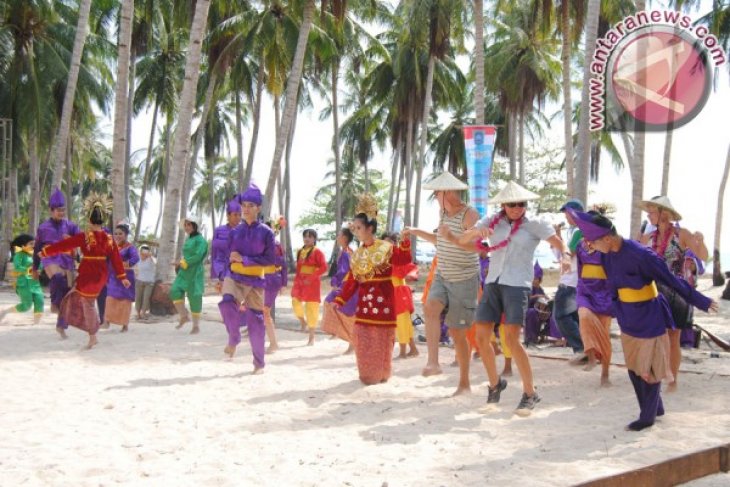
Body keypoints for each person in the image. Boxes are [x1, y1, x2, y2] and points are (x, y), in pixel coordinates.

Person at [569, 209, 717, 430]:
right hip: (627, 316)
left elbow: (672, 281)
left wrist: (702, 301)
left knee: (648, 368)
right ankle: (656, 406)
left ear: (607, 238)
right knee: (634, 367)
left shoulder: (641, 255)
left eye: (593, 243)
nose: (591, 247)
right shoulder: (606, 255)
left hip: (649, 315)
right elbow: (611, 285)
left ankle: (647, 417)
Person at [445, 181, 570, 415]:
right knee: (482, 338)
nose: (517, 208)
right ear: (503, 204)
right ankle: (495, 386)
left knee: (512, 340)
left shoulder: (535, 224)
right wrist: (473, 233)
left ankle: (530, 393)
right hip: (493, 282)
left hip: (517, 285)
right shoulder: (492, 221)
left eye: (521, 204)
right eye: (512, 204)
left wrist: (564, 256)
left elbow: (558, 243)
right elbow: (464, 240)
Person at [403, 171, 480, 380]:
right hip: (443, 274)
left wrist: (453, 237)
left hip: (464, 278)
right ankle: (433, 362)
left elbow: (477, 247)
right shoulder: (443, 214)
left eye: (436, 194)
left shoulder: (470, 214)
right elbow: (439, 240)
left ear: (447, 193)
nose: (435, 198)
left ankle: (465, 378)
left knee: (458, 332)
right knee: (430, 308)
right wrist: (414, 231)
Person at [333, 194, 412, 385]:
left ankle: (382, 374)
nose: (356, 231)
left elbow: (404, 260)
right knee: (362, 338)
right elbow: (352, 280)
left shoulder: (386, 247)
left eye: (359, 228)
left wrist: (405, 242)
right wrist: (340, 299)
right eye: (355, 228)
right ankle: (369, 375)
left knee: (382, 340)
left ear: (370, 228)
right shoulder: (357, 254)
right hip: (364, 305)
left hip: (384, 302)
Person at [37, 193, 129, 349]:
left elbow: (62, 246)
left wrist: (45, 252)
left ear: (89, 219)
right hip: (101, 275)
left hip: (88, 274)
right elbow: (116, 259)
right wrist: (123, 277)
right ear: (103, 220)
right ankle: (67, 324)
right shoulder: (109, 239)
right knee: (84, 300)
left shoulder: (84, 236)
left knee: (85, 303)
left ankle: (93, 335)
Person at [639, 195, 708, 392]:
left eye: (652, 211)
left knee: (673, 336)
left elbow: (703, 256)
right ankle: (655, 373)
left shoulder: (681, 234)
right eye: (649, 211)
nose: (649, 215)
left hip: (677, 292)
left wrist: (700, 241)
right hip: (653, 291)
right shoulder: (647, 238)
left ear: (664, 213)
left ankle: (673, 379)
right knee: (653, 335)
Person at [217, 184, 275, 372]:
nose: (246, 208)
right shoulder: (235, 232)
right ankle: (234, 336)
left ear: (258, 208)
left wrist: (245, 259)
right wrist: (221, 277)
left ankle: (259, 363)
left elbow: (269, 260)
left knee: (256, 321)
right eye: (244, 205)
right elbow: (228, 256)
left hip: (256, 281)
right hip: (234, 277)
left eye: (251, 205)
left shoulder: (267, 232)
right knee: (226, 303)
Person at [33, 187, 81, 338]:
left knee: (67, 296)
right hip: (50, 259)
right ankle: (54, 302)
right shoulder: (42, 228)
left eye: (63, 210)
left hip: (67, 260)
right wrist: (34, 268)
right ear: (51, 210)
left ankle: (61, 326)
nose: (61, 213)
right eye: (58, 210)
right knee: (58, 277)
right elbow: (36, 249)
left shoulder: (71, 226)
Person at [574, 211, 615, 386]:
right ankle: (590, 356)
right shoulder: (580, 244)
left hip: (604, 290)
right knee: (584, 317)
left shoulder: (606, 244)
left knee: (603, 332)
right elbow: (579, 267)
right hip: (585, 289)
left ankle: (605, 373)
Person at [554, 200, 586, 361]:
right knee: (574, 317)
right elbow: (562, 256)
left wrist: (557, 240)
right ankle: (584, 349)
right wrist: (558, 239)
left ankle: (580, 348)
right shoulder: (581, 231)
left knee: (561, 315)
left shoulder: (579, 231)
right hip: (577, 280)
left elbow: (569, 253)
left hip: (570, 281)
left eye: (567, 213)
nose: (566, 217)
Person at [382, 232, 419, 359]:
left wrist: (410, 276)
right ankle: (413, 349)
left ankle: (403, 351)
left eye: (389, 242)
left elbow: (413, 269)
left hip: (400, 293)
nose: (387, 244)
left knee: (402, 323)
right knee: (405, 323)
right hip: (392, 294)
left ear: (394, 243)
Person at [170, 215, 208, 334]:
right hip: (184, 272)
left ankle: (196, 326)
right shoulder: (189, 239)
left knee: (195, 298)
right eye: (185, 225)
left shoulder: (201, 241)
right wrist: (180, 263)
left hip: (195, 272)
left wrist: (182, 263)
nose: (186, 227)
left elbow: (197, 256)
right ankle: (184, 315)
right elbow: (187, 255)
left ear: (195, 226)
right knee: (174, 291)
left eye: (189, 224)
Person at [322, 227, 357, 354]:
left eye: (339, 235)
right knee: (345, 313)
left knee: (333, 304)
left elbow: (343, 271)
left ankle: (349, 341)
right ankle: (344, 337)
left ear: (345, 238)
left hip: (347, 285)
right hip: (348, 285)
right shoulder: (347, 251)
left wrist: (336, 283)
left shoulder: (346, 252)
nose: (337, 237)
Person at [291, 228, 328, 345]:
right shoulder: (299, 251)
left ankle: (311, 336)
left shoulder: (318, 252)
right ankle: (302, 321)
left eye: (310, 237)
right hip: (300, 282)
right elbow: (298, 269)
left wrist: (311, 277)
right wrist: (296, 281)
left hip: (312, 284)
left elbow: (324, 267)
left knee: (311, 308)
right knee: (295, 302)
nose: (307, 239)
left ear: (314, 239)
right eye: (305, 236)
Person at [101, 224, 139, 332]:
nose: (118, 236)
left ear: (126, 235)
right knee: (110, 298)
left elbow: (135, 258)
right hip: (113, 277)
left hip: (126, 277)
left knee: (125, 301)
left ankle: (125, 325)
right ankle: (106, 321)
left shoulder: (130, 247)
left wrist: (124, 264)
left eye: (120, 234)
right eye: (116, 234)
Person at [0, 235, 44, 324]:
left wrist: (39, 268)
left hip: (35, 282)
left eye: (34, 243)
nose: (33, 245)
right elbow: (17, 268)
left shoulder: (35, 254)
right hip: (23, 284)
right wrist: (29, 270)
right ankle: (5, 312)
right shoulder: (19, 255)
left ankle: (36, 324)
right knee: (26, 306)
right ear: (23, 245)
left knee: (40, 301)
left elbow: (40, 265)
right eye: (31, 243)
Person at [263, 217, 288, 354]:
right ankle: (271, 342)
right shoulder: (261, 244)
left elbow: (283, 265)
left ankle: (273, 343)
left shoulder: (275, 245)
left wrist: (283, 283)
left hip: (272, 280)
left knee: (265, 311)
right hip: (263, 279)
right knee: (262, 311)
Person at [211, 200, 242, 292]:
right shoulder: (218, 231)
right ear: (228, 216)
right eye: (235, 215)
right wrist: (215, 274)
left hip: (239, 270)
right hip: (222, 269)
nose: (238, 218)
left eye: (239, 215)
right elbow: (214, 253)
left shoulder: (244, 231)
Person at [135, 244, 156, 320]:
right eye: (143, 250)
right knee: (138, 298)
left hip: (149, 283)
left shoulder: (151, 259)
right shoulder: (138, 259)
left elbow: (155, 262)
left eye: (146, 250)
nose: (144, 252)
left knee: (146, 298)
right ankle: (138, 313)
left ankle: (143, 313)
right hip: (139, 281)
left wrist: (150, 255)